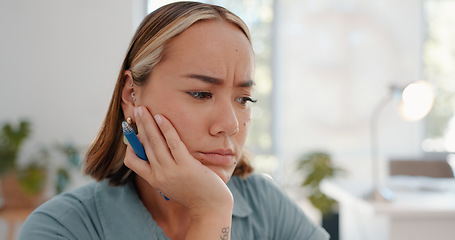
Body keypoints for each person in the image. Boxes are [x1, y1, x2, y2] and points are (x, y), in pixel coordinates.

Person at [19, 2, 329, 239]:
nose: (231, 124)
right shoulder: (61, 228)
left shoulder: (267, 207)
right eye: (200, 93)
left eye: (244, 99)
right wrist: (210, 213)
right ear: (131, 94)